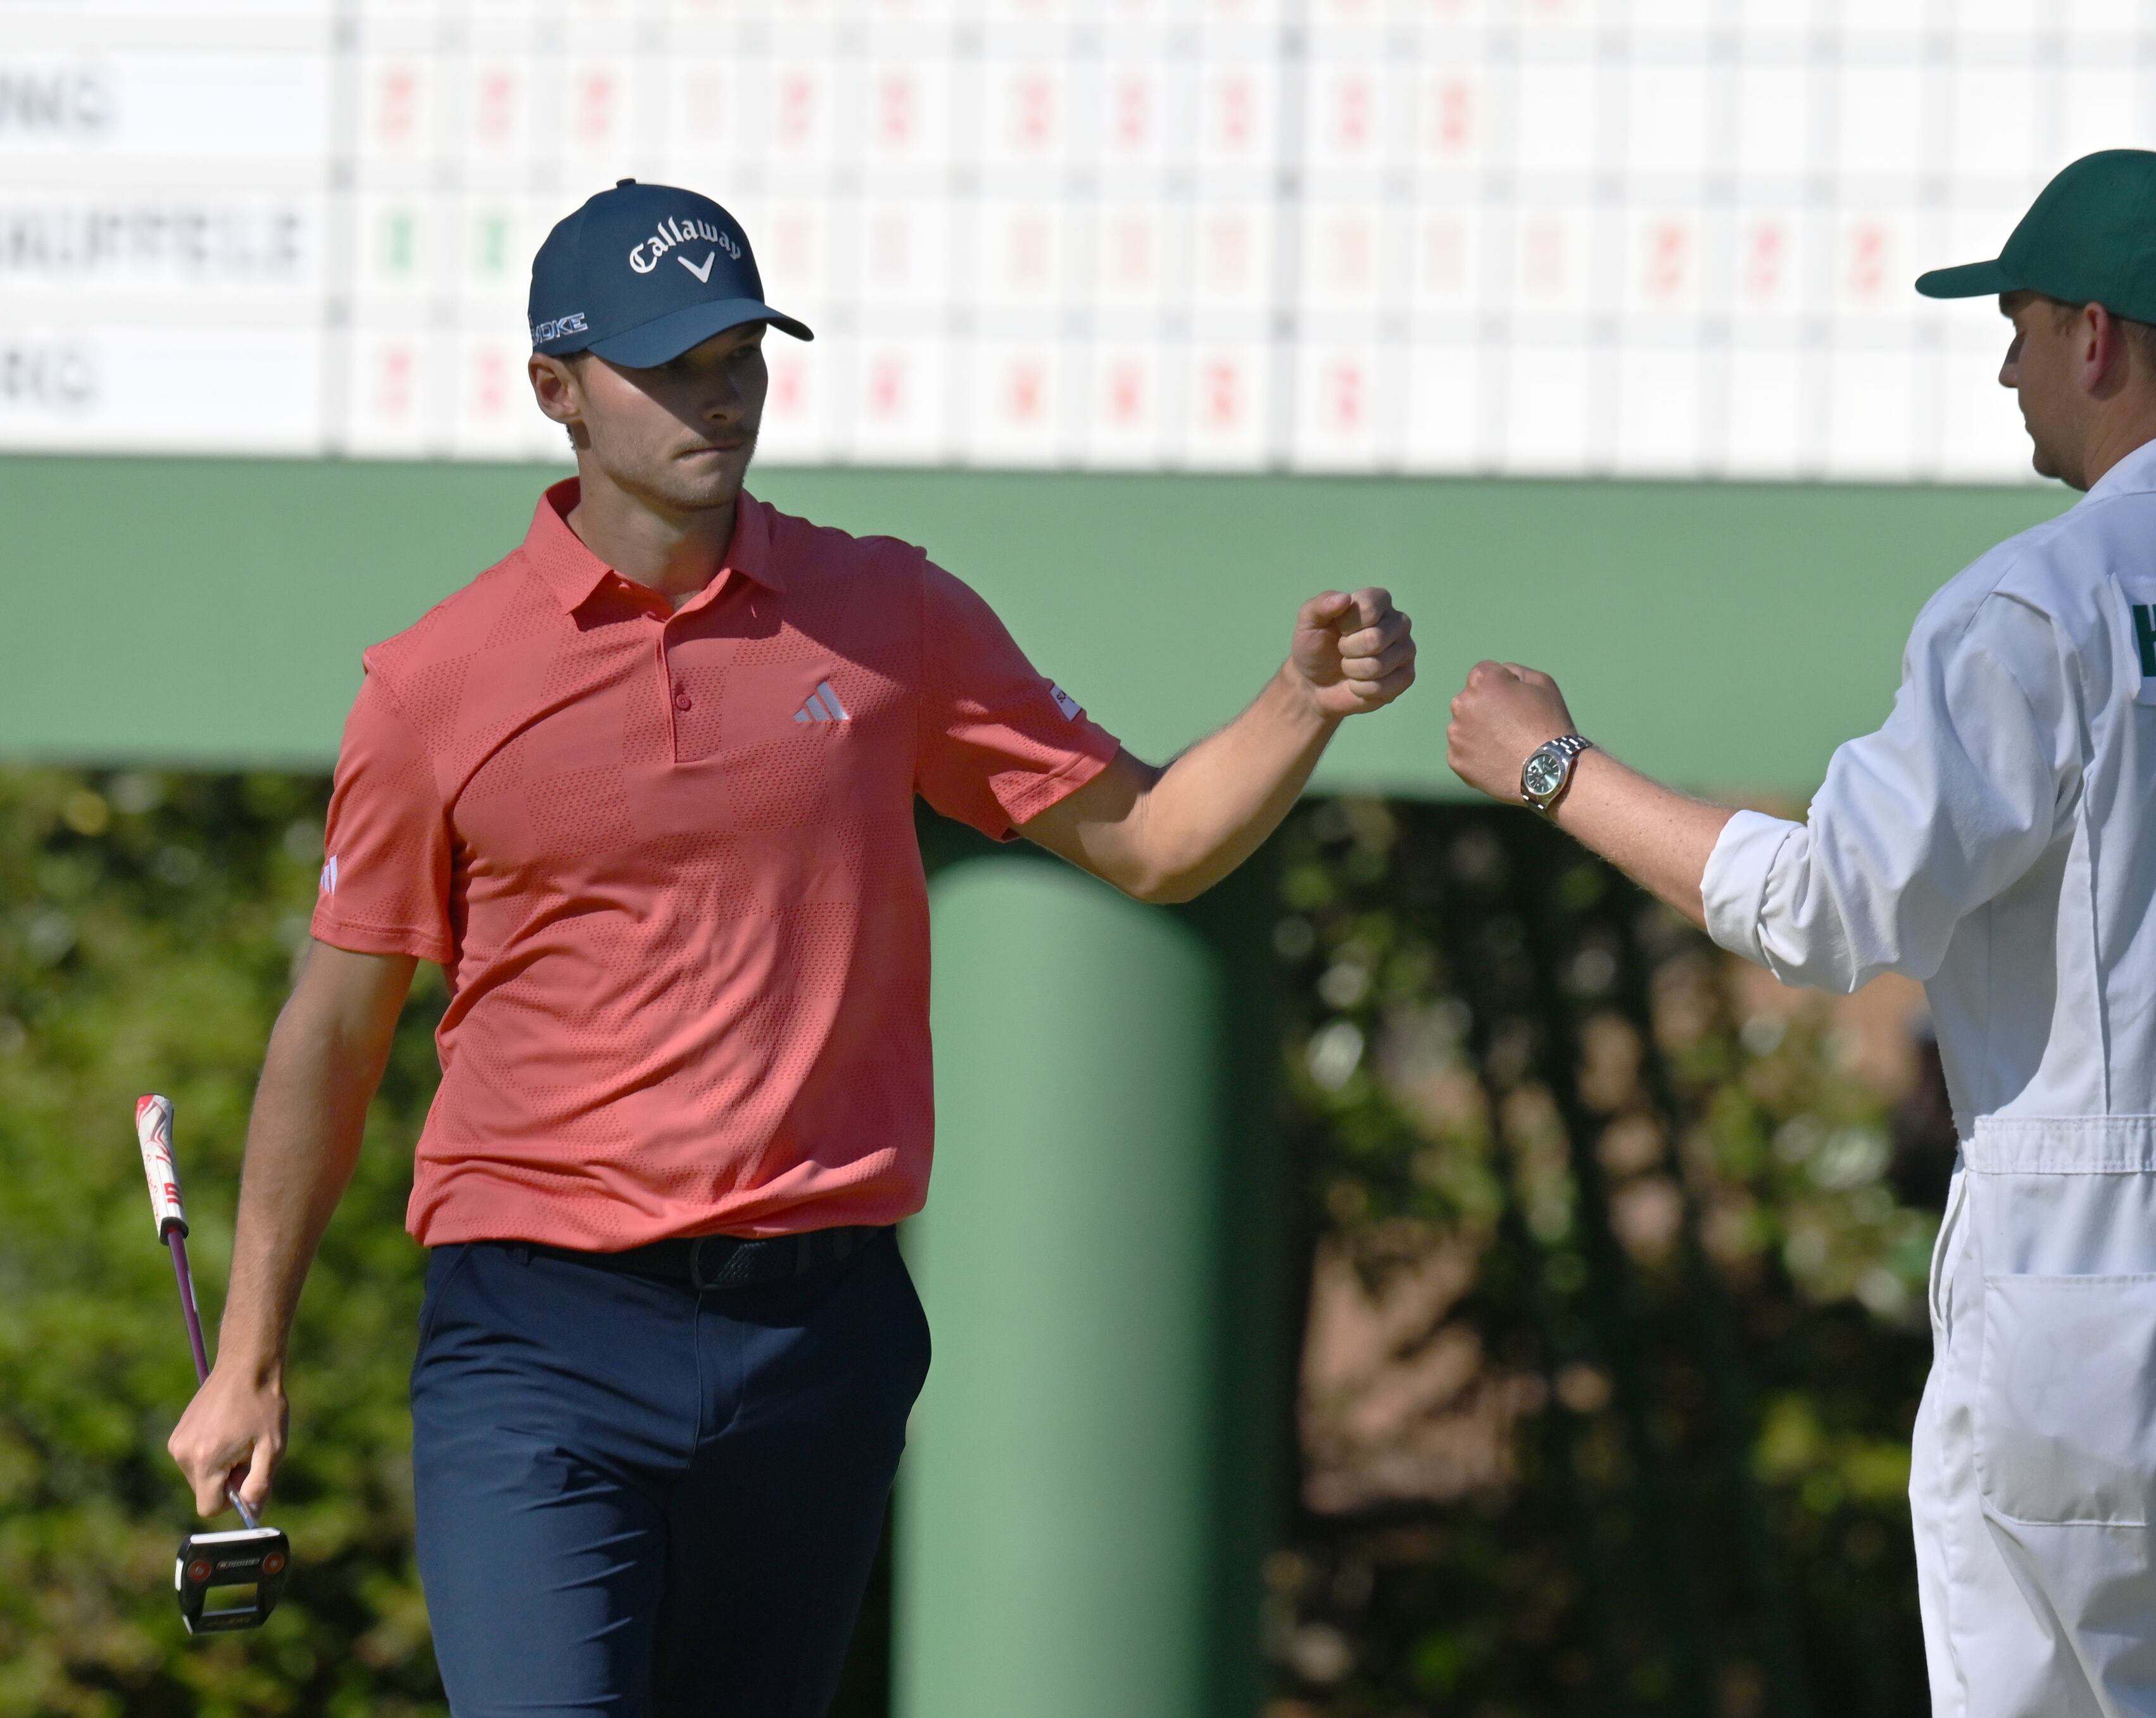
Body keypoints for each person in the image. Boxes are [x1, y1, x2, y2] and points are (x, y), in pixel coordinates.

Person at [167, 179, 1416, 1716]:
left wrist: (1301, 703)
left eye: (739, 354)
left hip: (815, 1331)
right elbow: (332, 1033)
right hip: (541, 1337)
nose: (720, 394)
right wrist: (249, 1352)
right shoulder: (435, 685)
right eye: (672, 363)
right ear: (556, 389)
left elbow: (1155, 843)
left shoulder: (888, 612)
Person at [1444, 147, 2156, 1717]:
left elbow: (1830, 908)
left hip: (2085, 1292)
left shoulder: (2040, 605)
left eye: (2026, 324)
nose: (2007, 361)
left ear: (2097, 340)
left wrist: (1554, 771)